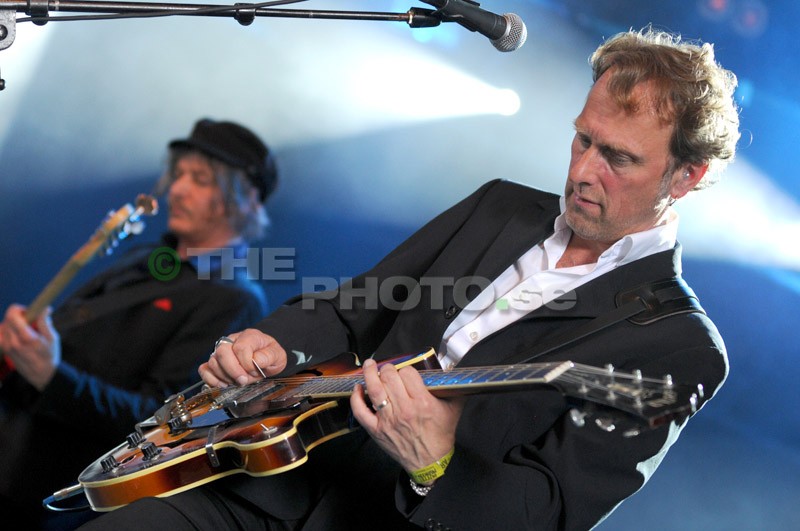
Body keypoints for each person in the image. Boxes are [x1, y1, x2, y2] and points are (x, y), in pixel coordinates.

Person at [79, 26, 741, 531]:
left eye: (618, 158)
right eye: (582, 139)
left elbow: (550, 512)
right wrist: (276, 344)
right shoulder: (501, 206)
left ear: (687, 176)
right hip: (280, 480)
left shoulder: (679, 345)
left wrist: (436, 462)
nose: (581, 171)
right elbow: (351, 308)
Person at [0, 118, 276, 529]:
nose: (177, 189)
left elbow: (166, 420)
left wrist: (51, 377)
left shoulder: (234, 297)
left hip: (57, 493)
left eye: (200, 179)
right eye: (178, 174)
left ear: (244, 199)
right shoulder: (148, 259)